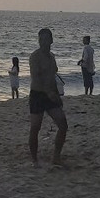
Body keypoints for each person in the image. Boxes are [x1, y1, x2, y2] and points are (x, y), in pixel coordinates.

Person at [28, 27, 67, 167]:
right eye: (40, 39)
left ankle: (56, 156)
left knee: (63, 124)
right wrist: (48, 92)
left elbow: (52, 77)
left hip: (51, 94)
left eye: (45, 39)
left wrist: (56, 94)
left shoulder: (52, 57)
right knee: (35, 127)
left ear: (51, 40)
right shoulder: (34, 57)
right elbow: (37, 78)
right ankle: (34, 160)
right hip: (38, 94)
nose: (43, 42)